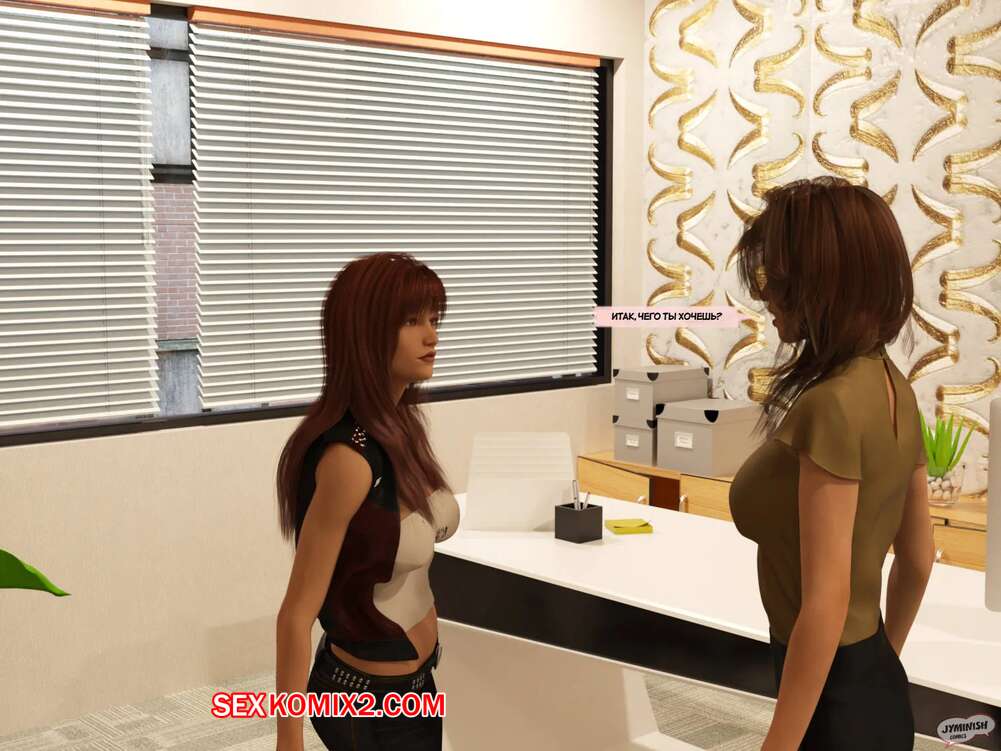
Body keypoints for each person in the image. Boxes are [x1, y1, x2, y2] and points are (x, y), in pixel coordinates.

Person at [728, 177, 935, 750]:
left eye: (776, 280)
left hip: (831, 704)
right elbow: (919, 559)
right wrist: (879, 665)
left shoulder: (830, 406)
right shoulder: (895, 387)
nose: (766, 298)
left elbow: (825, 603)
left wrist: (778, 745)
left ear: (822, 284)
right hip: (871, 682)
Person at [273, 252, 459, 750]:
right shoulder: (349, 460)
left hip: (416, 687)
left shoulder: (402, 428)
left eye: (433, 320)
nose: (431, 336)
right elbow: (296, 614)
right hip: (365, 701)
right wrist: (288, 742)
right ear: (364, 332)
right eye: (411, 321)